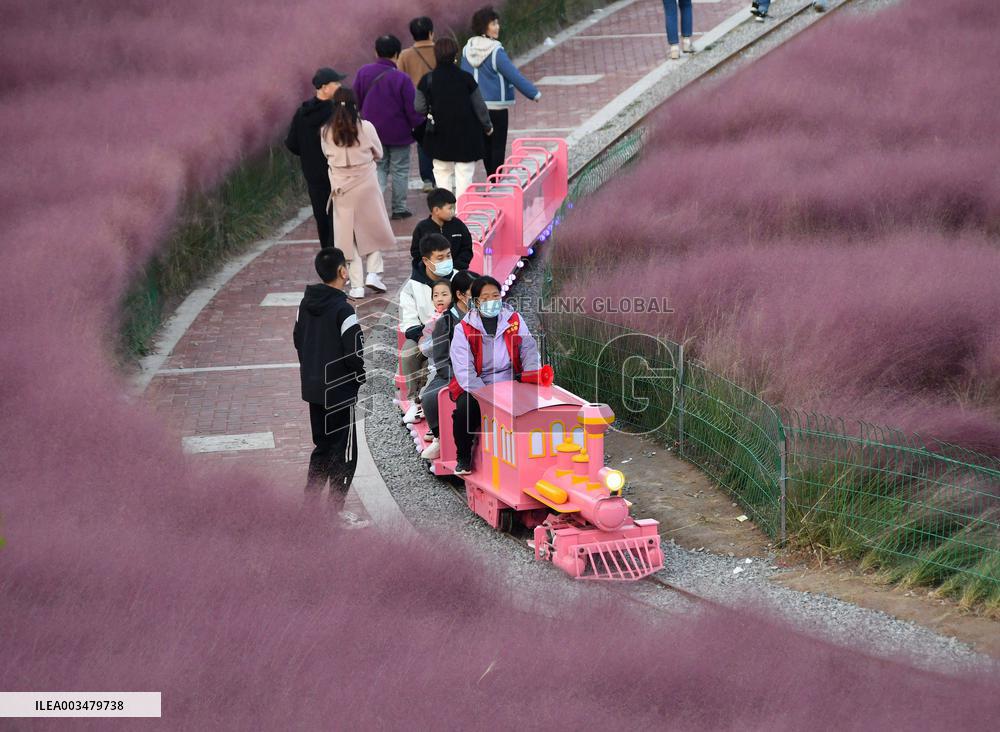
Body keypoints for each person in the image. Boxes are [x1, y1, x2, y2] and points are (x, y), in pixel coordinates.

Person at [293, 247, 366, 519]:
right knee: (341, 452)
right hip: (339, 391)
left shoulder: (304, 304)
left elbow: (298, 340)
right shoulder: (343, 310)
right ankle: (334, 512)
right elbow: (354, 353)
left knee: (321, 447)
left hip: (313, 390)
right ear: (342, 272)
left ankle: (309, 507)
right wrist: (359, 378)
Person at [449, 275, 540, 475]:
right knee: (465, 409)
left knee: (537, 403)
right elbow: (464, 369)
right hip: (479, 385)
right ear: (475, 301)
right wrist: (486, 395)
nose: (492, 301)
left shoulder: (513, 319)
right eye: (486, 297)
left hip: (511, 379)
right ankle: (463, 456)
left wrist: (531, 375)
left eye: (496, 296)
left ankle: (533, 456)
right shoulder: (463, 329)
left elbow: (529, 348)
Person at [320, 87, 393, 299]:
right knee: (373, 226)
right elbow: (378, 152)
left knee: (346, 236)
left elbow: (327, 155)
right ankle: (374, 273)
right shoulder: (366, 127)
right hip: (366, 183)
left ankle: (357, 284)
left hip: (341, 188)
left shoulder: (326, 131)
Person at [461, 6, 541, 178]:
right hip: (497, 108)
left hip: (476, 107)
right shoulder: (496, 50)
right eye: (494, 23)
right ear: (484, 26)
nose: (498, 27)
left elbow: (464, 77)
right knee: (497, 146)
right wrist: (533, 93)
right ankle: (495, 182)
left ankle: (491, 178)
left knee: (485, 146)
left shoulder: (467, 49)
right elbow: (513, 74)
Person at [354, 35, 426, 220]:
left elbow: (356, 101)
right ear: (397, 53)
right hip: (399, 133)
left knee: (378, 168)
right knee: (400, 170)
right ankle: (399, 208)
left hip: (371, 131)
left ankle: (374, 209)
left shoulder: (363, 73)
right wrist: (418, 126)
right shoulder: (401, 78)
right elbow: (412, 108)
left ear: (376, 52)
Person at [415, 37, 493, 199]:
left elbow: (419, 107)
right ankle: (462, 212)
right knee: (464, 173)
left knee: (442, 172)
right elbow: (480, 106)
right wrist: (487, 126)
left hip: (438, 135)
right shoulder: (466, 78)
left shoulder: (427, 80)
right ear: (455, 55)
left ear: (436, 55)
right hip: (466, 134)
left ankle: (445, 210)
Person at [419, 270, 478, 460]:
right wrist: (458, 376)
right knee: (429, 396)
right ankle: (438, 436)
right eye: (474, 292)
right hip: (452, 372)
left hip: (482, 371)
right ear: (460, 295)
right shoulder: (447, 321)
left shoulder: (485, 316)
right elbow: (442, 359)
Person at [285, 67, 346, 247]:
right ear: (324, 87)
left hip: (312, 174)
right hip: (335, 172)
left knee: (321, 217)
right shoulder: (335, 113)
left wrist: (308, 155)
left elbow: (291, 143)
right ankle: (339, 256)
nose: (340, 86)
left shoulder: (301, 113)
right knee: (338, 217)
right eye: (336, 83)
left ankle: (327, 255)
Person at [399, 233, 455, 424]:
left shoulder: (458, 278)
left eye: (448, 256)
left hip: (454, 335)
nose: (446, 261)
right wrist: (424, 337)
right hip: (425, 336)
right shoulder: (411, 287)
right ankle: (416, 402)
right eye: (440, 258)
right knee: (408, 352)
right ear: (426, 260)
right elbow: (409, 321)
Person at [397, 16, 438, 193]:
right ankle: (444, 173)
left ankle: (428, 179)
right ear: (431, 33)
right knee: (444, 136)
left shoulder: (405, 55)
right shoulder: (440, 50)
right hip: (440, 102)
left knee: (423, 141)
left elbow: (400, 78)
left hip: (417, 106)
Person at [409, 188, 473, 275]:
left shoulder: (458, 225)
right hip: (428, 275)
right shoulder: (422, 228)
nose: (453, 212)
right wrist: (430, 269)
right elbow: (416, 253)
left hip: (456, 272)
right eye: (450, 208)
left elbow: (467, 248)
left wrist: (456, 267)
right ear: (436, 210)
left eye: (454, 208)